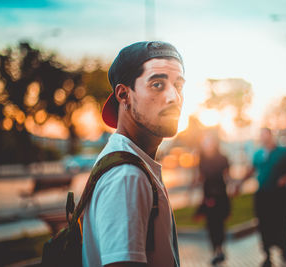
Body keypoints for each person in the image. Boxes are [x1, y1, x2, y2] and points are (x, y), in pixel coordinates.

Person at [82, 41, 185, 267]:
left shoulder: (134, 164)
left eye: (178, 85)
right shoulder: (126, 177)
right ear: (124, 94)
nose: (174, 98)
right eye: (157, 84)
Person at [239, 128, 286, 267]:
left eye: (266, 135)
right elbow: (252, 169)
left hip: (279, 195)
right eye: (261, 135)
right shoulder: (258, 153)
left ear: (271, 136)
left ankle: (284, 246)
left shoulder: (282, 152)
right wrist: (239, 182)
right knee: (263, 224)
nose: (264, 138)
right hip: (263, 194)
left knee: (281, 221)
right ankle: (267, 255)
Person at [193, 133, 231, 265]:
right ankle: (215, 250)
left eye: (209, 142)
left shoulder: (222, 158)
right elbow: (200, 177)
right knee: (210, 225)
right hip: (208, 196)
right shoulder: (202, 159)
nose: (207, 145)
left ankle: (220, 250)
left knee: (219, 223)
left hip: (220, 195)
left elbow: (227, 176)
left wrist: (233, 188)